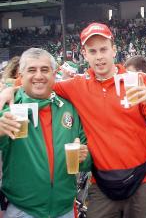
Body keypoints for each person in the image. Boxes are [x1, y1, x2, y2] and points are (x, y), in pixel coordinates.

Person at [0, 23, 146, 218]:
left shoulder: (138, 80)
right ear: (84, 53)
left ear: (114, 50)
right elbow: (40, 83)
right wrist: (10, 89)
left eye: (104, 49)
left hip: (142, 179)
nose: (99, 56)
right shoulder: (76, 86)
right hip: (102, 183)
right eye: (92, 51)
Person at [0, 48, 90, 218]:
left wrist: (84, 157)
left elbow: (87, 157)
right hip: (23, 211)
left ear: (54, 73)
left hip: (65, 210)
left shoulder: (69, 108)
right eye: (32, 70)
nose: (39, 76)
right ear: (21, 74)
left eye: (45, 69)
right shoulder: (8, 106)